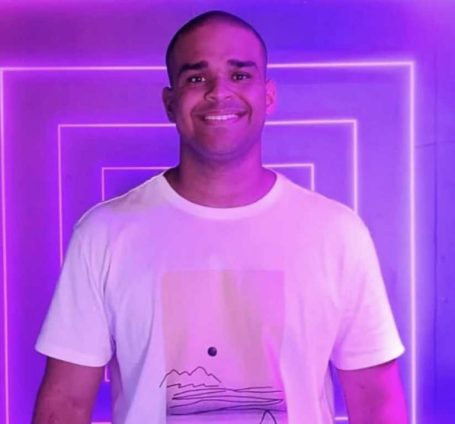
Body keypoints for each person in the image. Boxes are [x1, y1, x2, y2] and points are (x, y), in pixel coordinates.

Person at [32, 10, 408, 424]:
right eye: (196, 78)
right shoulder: (104, 233)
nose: (218, 92)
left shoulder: (337, 233)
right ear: (170, 102)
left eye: (240, 75)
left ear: (268, 96)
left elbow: (377, 402)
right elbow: (65, 404)